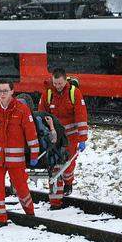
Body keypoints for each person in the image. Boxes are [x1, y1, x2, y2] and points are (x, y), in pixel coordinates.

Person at [0, 79, 39, 227]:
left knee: (21, 188)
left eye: (5, 91)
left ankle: (30, 213)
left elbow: (31, 133)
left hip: (16, 160)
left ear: (12, 91)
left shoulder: (22, 109)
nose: (2, 94)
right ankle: (0, 219)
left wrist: (34, 154)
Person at [38, 68, 88, 196]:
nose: (57, 86)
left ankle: (68, 183)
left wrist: (82, 139)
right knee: (54, 162)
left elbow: (81, 117)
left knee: (68, 163)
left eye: (60, 83)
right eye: (55, 83)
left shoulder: (74, 93)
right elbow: (41, 115)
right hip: (54, 136)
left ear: (66, 80)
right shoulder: (47, 94)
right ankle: (55, 190)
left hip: (71, 136)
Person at [16, 93, 68, 210]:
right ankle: (55, 203)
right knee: (56, 170)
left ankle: (27, 204)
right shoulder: (42, 119)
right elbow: (56, 139)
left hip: (28, 158)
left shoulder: (15, 122)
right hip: (44, 157)